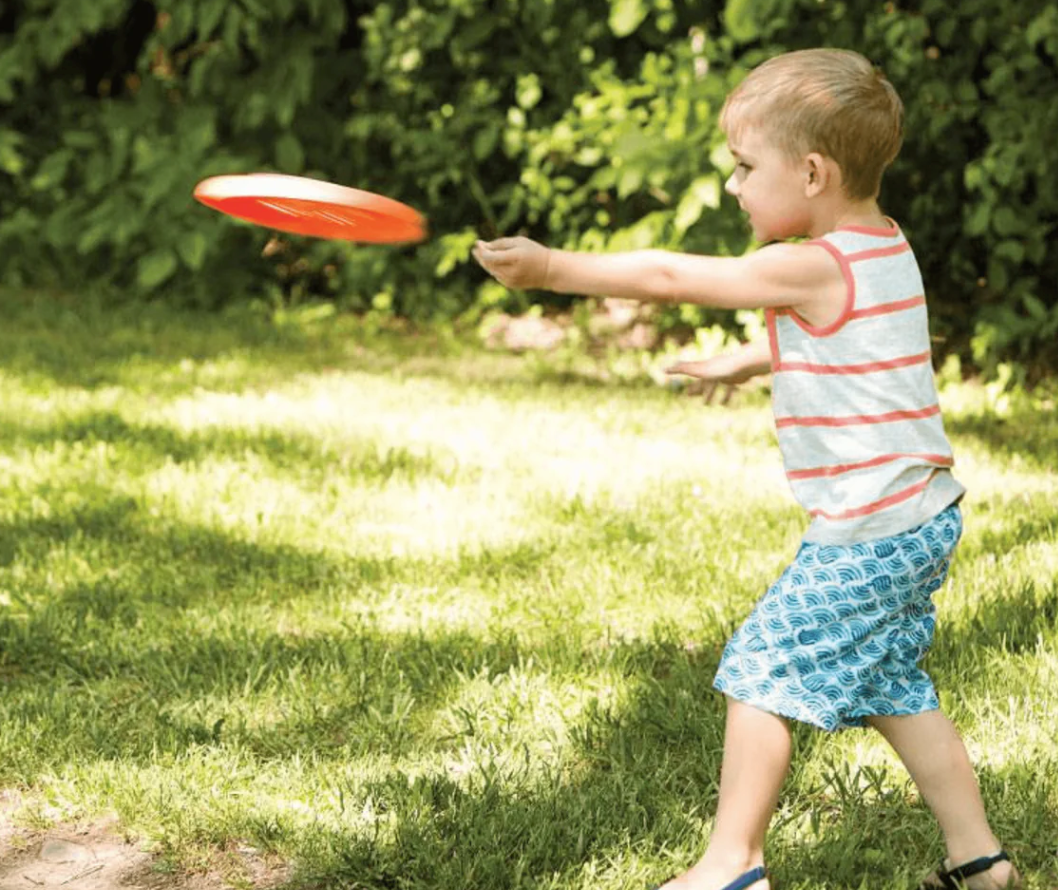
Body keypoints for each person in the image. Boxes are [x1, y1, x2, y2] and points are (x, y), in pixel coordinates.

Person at [473, 48, 1021, 890]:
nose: (732, 185)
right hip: (920, 516)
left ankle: (733, 867)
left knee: (759, 669)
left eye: (742, 166)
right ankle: (980, 862)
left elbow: (672, 274)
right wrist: (750, 362)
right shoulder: (883, 245)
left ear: (811, 172)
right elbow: (860, 349)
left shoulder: (810, 264)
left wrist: (552, 270)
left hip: (868, 531)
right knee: (891, 686)